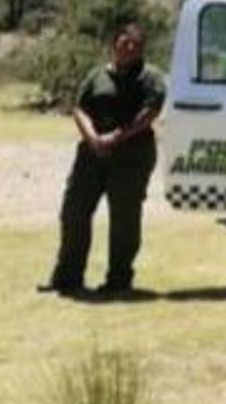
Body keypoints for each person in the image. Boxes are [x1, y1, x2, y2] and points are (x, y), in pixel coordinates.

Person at [40, 22, 167, 297]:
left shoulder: (151, 77)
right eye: (124, 44)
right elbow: (79, 108)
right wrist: (93, 138)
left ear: (141, 49)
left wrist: (116, 138)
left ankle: (119, 281)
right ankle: (67, 277)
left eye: (135, 45)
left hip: (131, 156)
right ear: (114, 45)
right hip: (92, 155)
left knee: (124, 219)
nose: (128, 49)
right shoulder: (97, 75)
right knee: (74, 211)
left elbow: (150, 113)